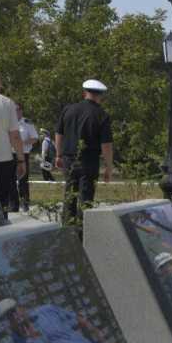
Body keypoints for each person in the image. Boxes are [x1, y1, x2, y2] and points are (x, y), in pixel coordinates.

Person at [55, 79, 114, 233]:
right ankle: (82, 230)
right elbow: (106, 144)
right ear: (100, 95)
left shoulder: (68, 109)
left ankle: (67, 229)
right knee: (86, 196)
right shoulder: (102, 115)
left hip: (68, 158)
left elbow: (59, 133)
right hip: (89, 160)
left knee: (69, 193)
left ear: (84, 93)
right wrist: (108, 166)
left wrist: (58, 155)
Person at [0, 298, 114, 343]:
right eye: (9, 316)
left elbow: (81, 320)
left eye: (14, 310)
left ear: (21, 306)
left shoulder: (47, 310)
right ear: (8, 322)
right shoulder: (17, 342)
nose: (14, 316)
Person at [0, 67, 25, 219]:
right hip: (2, 160)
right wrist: (21, 160)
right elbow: (15, 136)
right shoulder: (7, 103)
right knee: (1, 201)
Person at [15, 103, 38, 212]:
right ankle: (13, 203)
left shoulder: (27, 123)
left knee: (23, 179)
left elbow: (35, 138)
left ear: (21, 111)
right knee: (10, 179)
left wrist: (23, 142)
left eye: (17, 109)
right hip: (10, 154)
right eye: (13, 109)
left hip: (24, 153)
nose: (15, 111)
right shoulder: (8, 122)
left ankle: (25, 202)